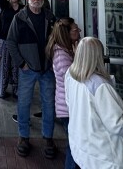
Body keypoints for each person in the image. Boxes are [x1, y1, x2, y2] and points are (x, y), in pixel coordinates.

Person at [66, 37, 123, 169]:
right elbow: (117, 125)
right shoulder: (100, 86)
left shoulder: (70, 74)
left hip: (83, 150)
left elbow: (69, 104)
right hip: (105, 157)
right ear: (99, 56)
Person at [7, 0, 57, 159]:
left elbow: (58, 40)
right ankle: (24, 137)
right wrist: (21, 63)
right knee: (24, 103)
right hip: (28, 69)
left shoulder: (50, 17)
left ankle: (48, 138)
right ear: (27, 0)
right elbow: (11, 42)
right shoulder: (19, 18)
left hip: (47, 69)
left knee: (49, 104)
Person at [47, 17, 81, 169]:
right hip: (68, 107)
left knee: (75, 144)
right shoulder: (61, 56)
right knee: (74, 145)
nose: (79, 31)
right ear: (66, 34)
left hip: (70, 105)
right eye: (75, 29)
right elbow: (75, 79)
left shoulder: (67, 50)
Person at [0, 0, 23, 98]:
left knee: (17, 66)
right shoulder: (5, 6)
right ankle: (1, 90)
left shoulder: (23, 8)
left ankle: (17, 91)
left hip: (18, 42)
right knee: (3, 66)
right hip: (4, 40)